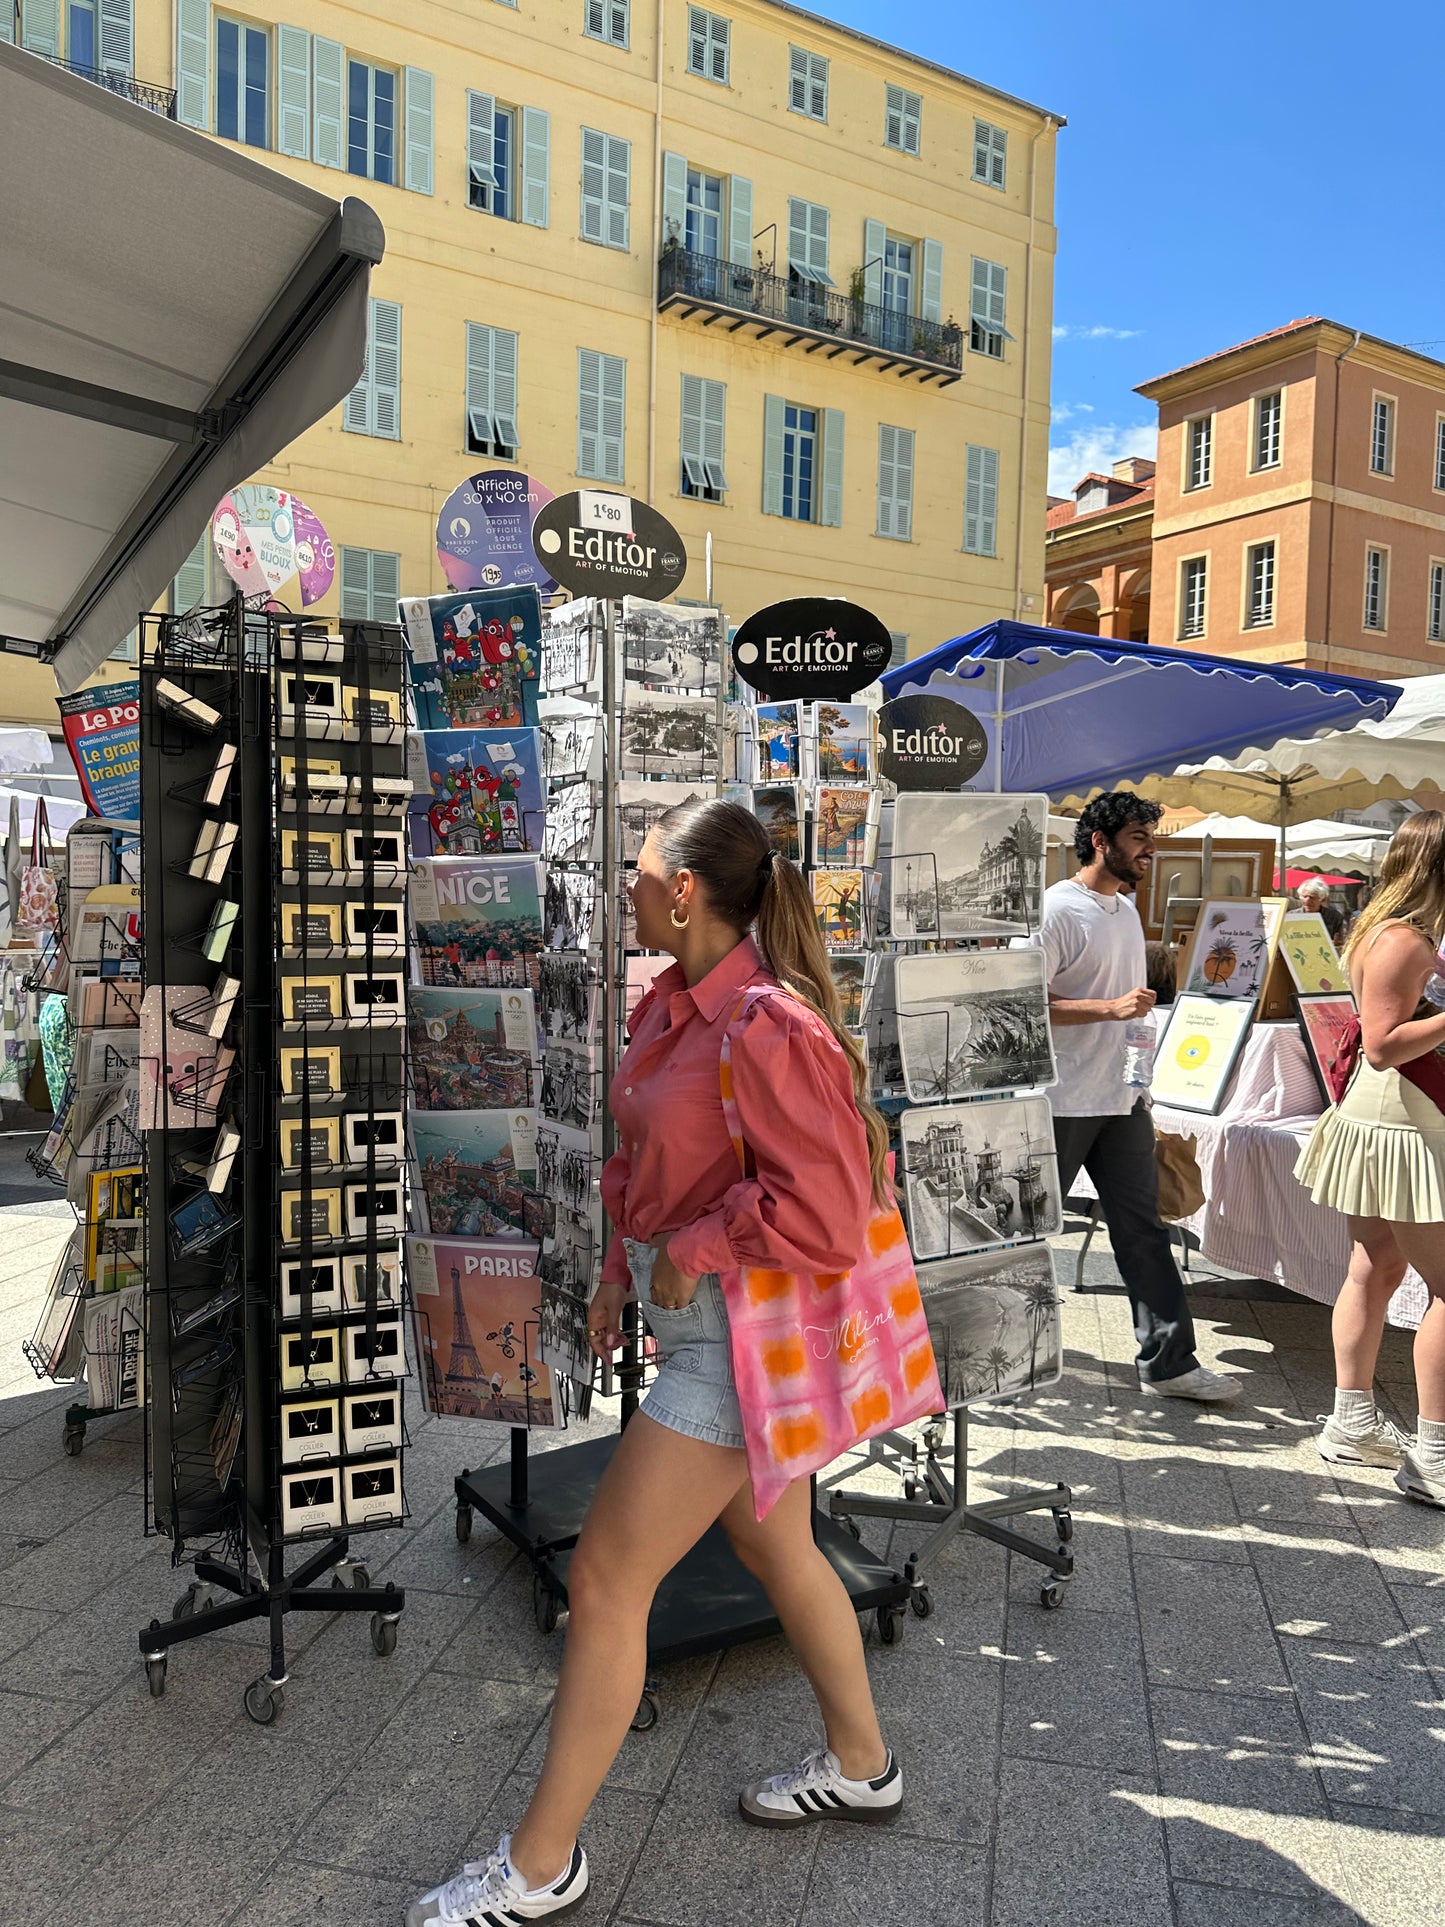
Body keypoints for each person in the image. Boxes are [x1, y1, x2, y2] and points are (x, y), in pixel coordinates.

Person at [409, 799, 905, 1927]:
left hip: (737, 1342)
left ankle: (541, 1864)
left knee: (603, 1579)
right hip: (697, 1323)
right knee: (775, 1543)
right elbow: (648, 1152)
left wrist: (689, 1246)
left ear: (682, 890)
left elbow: (826, 1213)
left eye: (635, 870)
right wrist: (620, 1269)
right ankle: (863, 1760)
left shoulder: (770, 1025)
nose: (621, 886)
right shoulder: (673, 1002)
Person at [1036, 792, 1240, 1400]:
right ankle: (990, 1357)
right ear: (1100, 840)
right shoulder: (1056, 910)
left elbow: (1128, 1011)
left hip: (1121, 1097)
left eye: (1151, 836)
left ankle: (1171, 1364)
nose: (1151, 848)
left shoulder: (1124, 910)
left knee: (1144, 1230)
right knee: (1026, 1234)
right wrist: (1109, 1008)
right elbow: (1022, 1006)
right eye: (1138, 837)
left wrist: (1139, 1074)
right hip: (1063, 1099)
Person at [1295, 811, 1445, 1504]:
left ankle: (1351, 1423)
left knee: (1374, 1267)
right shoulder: (1404, 939)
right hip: (1398, 1118)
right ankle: (1433, 1455)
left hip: (1382, 1113)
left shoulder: (1386, 929)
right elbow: (1384, 1042)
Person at [1297, 875, 1347, 946]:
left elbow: (1341, 942)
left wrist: (1336, 943)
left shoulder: (1334, 917)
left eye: (1312, 897)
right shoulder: (1291, 916)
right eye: (1304, 896)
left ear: (1322, 899)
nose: (1307, 900)